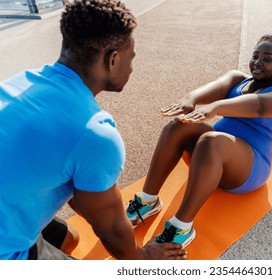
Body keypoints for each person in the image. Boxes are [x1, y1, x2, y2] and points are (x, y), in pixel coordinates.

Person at [0, 0, 187, 260]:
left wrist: (106, 207)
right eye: (130, 58)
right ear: (113, 60)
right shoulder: (94, 132)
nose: (131, 67)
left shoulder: (19, 82)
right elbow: (110, 230)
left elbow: (70, 178)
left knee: (69, 238)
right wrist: (144, 258)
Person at [126, 34, 272, 248]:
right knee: (179, 125)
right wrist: (189, 100)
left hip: (248, 167)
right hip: (208, 155)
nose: (258, 62)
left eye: (267, 58)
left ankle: (181, 227)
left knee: (212, 140)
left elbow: (259, 106)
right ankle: (147, 200)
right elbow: (213, 88)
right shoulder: (239, 79)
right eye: (255, 56)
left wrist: (216, 107)